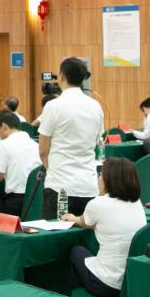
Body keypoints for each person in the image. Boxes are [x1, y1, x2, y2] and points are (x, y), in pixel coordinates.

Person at [63, 158, 146, 297]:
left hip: (107, 285)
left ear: (110, 180)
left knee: (76, 251)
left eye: (101, 174)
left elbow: (84, 222)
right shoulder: (137, 202)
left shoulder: (98, 203)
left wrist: (72, 218)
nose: (99, 178)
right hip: (131, 282)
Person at [36, 57, 104, 218]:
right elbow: (97, 142)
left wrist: (53, 170)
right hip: (88, 185)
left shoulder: (53, 106)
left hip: (59, 185)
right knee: (85, 233)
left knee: (56, 233)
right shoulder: (96, 106)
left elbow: (43, 151)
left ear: (61, 76)